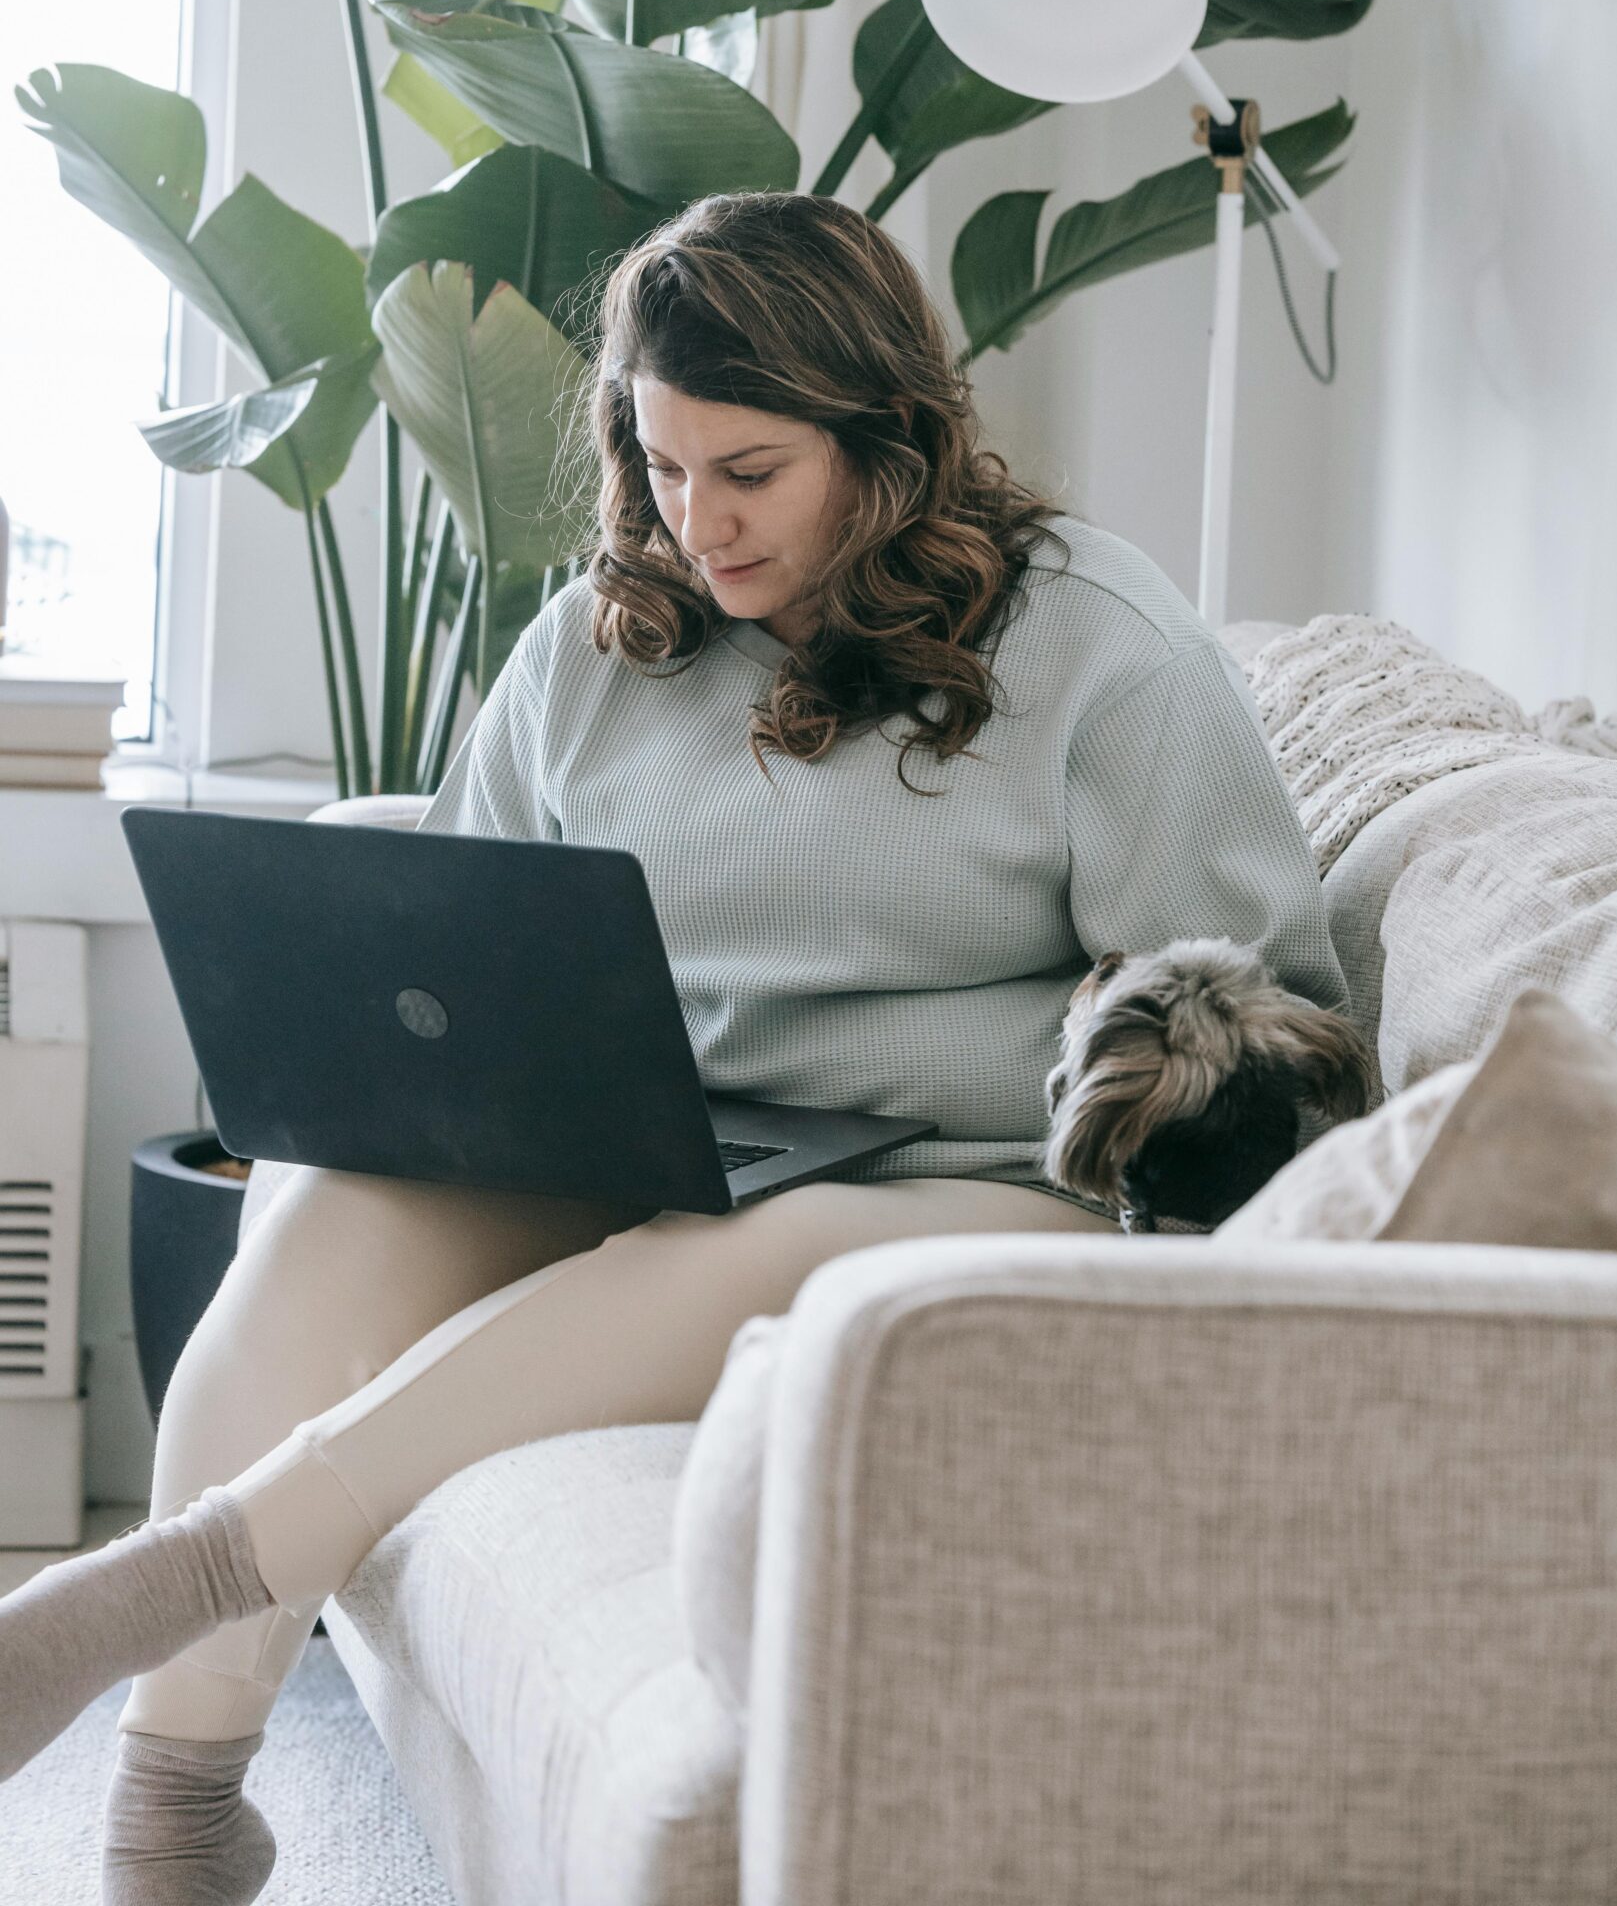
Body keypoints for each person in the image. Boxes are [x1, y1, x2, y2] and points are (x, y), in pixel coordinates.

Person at [0, 192, 1346, 1902]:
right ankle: (175, 1813)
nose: (695, 522)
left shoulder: (1102, 648)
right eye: (661, 464)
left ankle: (163, 1583)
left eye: (751, 472)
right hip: (646, 1124)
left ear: (889, 441)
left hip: (983, 1179)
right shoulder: (601, 641)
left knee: (733, 1248)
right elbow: (462, 920)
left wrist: (1074, 1076)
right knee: (337, 1221)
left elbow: (1260, 1030)